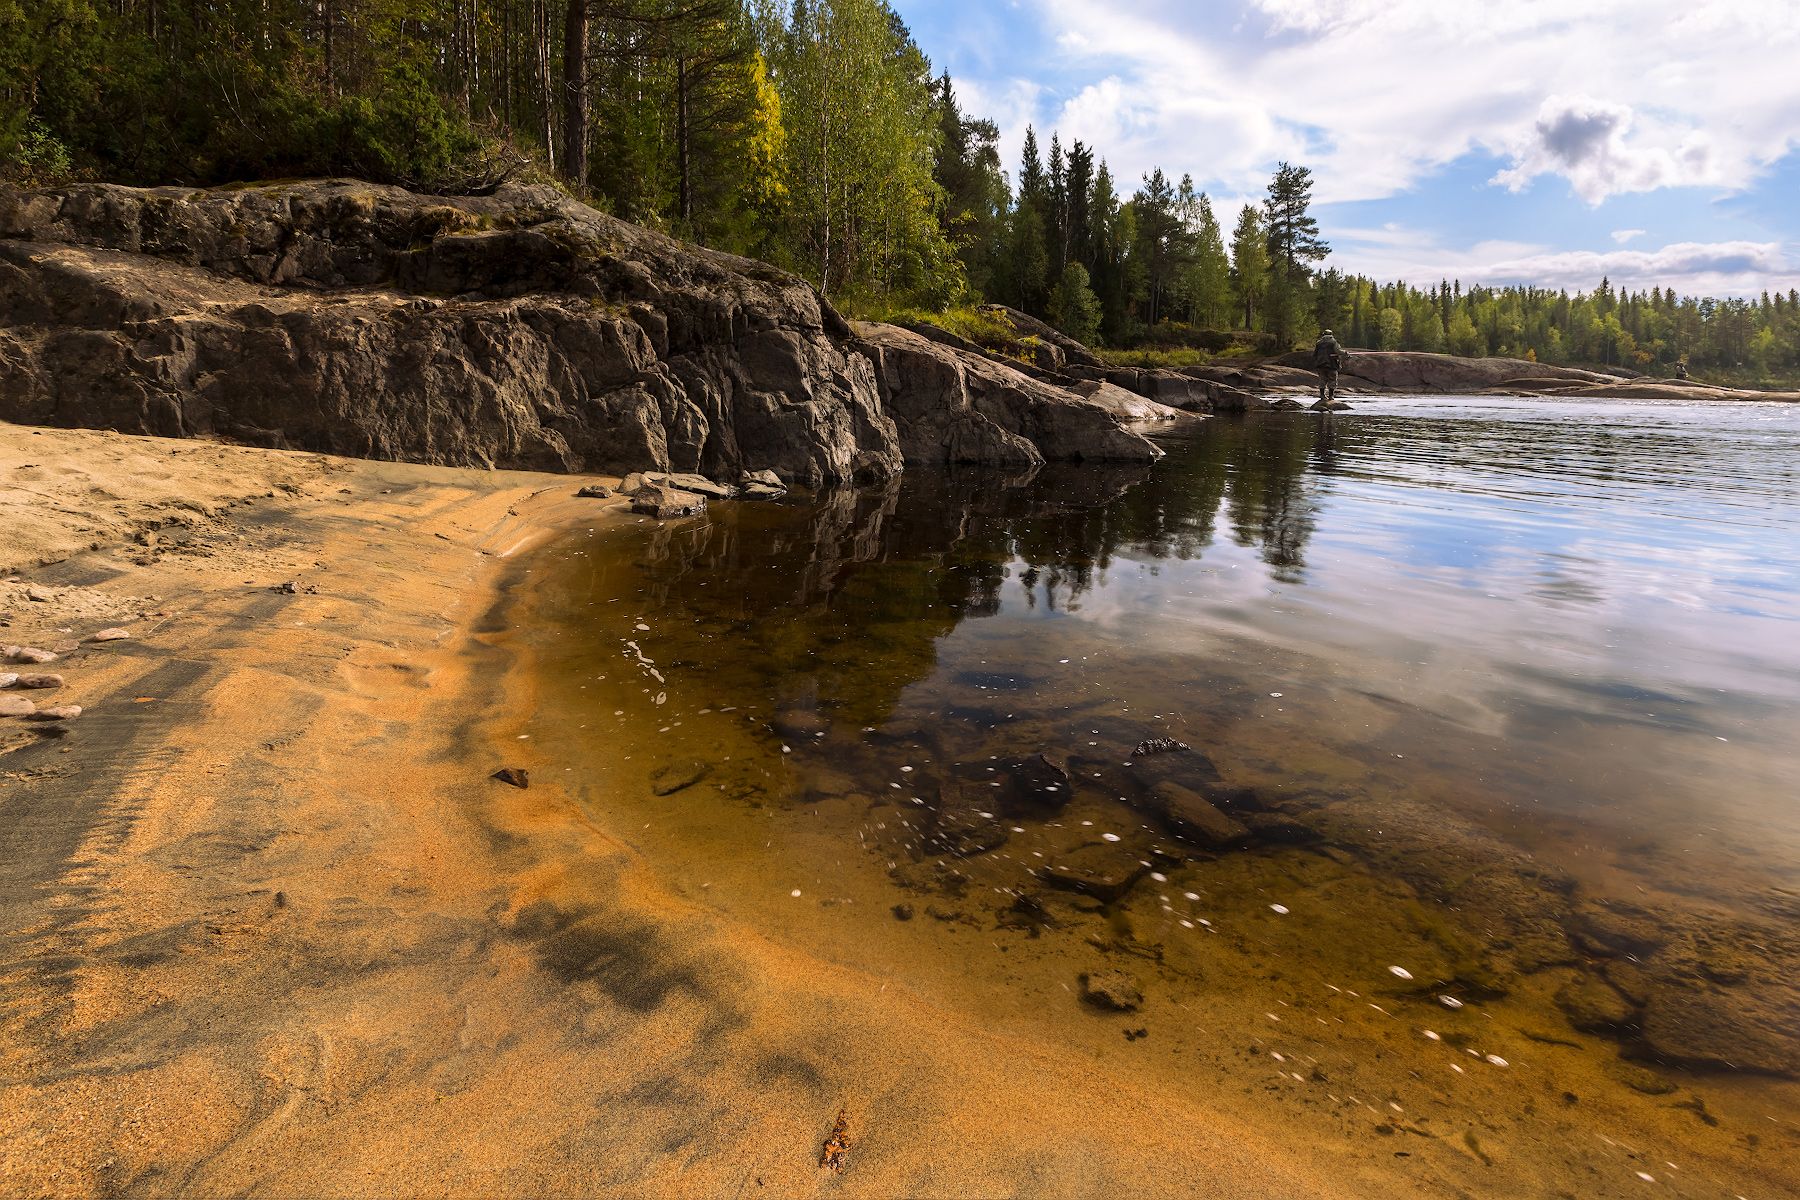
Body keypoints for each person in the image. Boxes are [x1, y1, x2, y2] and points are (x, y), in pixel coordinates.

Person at [1312, 329, 1346, 406]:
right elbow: (1338, 351)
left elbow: (1314, 354)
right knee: (1332, 380)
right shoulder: (1333, 342)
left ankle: (1322, 396)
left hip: (1320, 365)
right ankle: (1331, 396)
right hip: (1331, 365)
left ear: (1323, 334)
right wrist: (1345, 353)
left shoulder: (1318, 343)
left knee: (1322, 380)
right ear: (1331, 334)